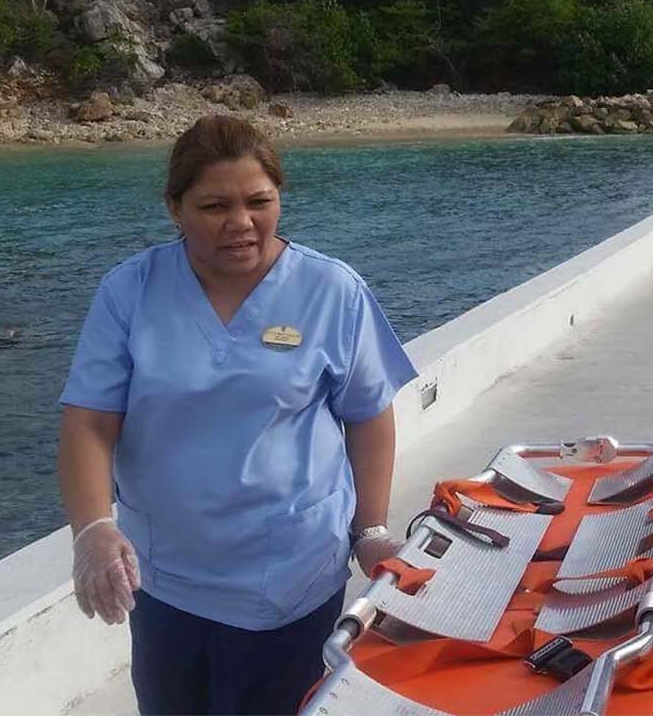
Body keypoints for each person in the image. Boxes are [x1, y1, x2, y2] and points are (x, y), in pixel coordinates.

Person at [58, 115, 417, 716]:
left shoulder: (333, 291)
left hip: (297, 573)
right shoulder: (131, 291)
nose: (240, 222)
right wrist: (93, 529)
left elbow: (368, 415)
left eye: (259, 201)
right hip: (170, 577)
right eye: (214, 205)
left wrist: (371, 529)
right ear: (175, 209)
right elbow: (90, 423)